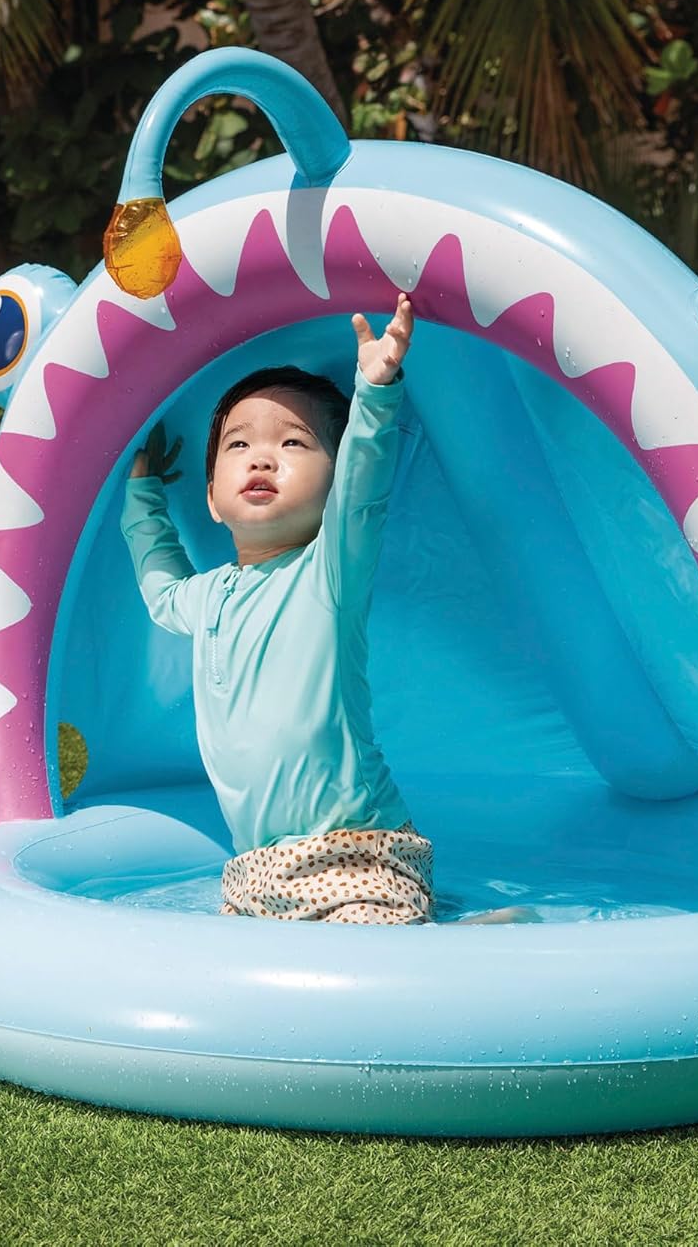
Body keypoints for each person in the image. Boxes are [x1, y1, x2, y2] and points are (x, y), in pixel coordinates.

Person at [121, 294, 430, 924]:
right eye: (238, 446)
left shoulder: (328, 573)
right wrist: (140, 492)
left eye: (294, 442)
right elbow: (159, 586)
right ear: (211, 497)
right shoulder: (205, 597)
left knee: (361, 972)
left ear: (333, 476)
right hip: (256, 871)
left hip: (358, 861)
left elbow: (362, 491)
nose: (262, 457)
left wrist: (374, 394)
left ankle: (462, 942)